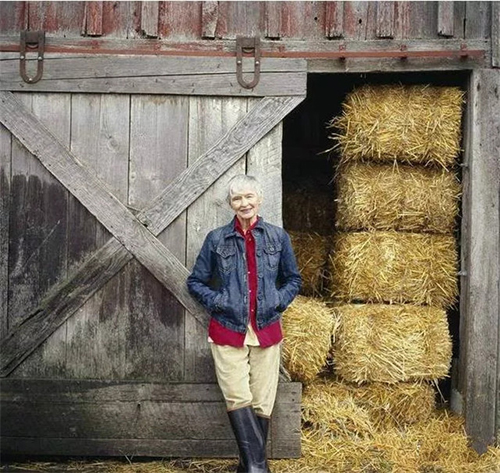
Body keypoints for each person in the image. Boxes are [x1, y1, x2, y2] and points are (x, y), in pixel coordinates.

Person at [187, 174, 301, 473]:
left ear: (259, 199)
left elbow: (293, 279)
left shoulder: (278, 237)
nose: (244, 203)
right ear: (230, 204)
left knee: (262, 402)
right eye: (237, 198)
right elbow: (195, 282)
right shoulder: (217, 239)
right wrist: (220, 301)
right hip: (227, 329)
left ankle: (248, 467)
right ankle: (258, 468)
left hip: (266, 328)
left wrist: (277, 300)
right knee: (238, 396)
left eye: (249, 196)